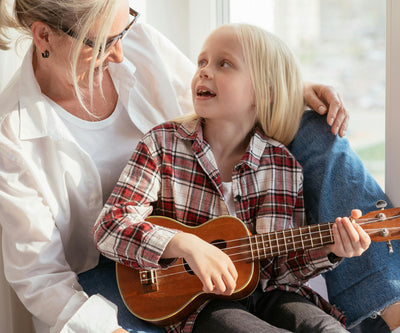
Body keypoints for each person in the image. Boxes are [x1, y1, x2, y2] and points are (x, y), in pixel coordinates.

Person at [0, 0, 395, 332]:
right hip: (124, 271)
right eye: (104, 43)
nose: (121, 53)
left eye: (125, 31)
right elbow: (42, 277)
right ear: (44, 36)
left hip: (232, 250)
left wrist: (287, 93)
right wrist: (181, 248)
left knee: (313, 124)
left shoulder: (277, 163)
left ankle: (389, 301)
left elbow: (226, 88)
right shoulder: (14, 133)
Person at [92, 23, 371, 333]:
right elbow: (110, 226)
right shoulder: (162, 145)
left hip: (269, 294)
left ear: (264, 91)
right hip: (202, 304)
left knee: (328, 329)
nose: (204, 72)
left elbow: (280, 271)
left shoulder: (282, 165)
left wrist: (331, 248)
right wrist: (183, 244)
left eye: (223, 63)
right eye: (202, 62)